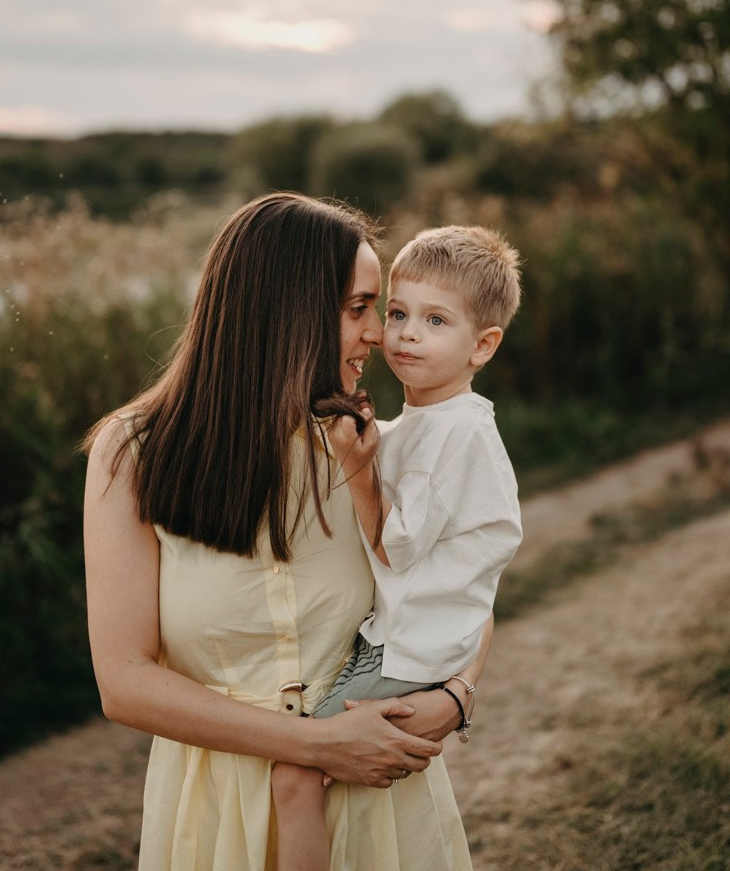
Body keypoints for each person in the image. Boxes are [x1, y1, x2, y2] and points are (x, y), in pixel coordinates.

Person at [83, 193, 491, 871]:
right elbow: (125, 681)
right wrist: (315, 747)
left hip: (376, 803)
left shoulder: (376, 449)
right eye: (359, 309)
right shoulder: (134, 454)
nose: (379, 337)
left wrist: (457, 695)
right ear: (287, 308)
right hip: (216, 814)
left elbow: (463, 588)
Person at [271, 224, 523, 871]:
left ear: (483, 346)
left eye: (436, 321)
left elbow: (397, 547)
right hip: (407, 635)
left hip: (412, 648)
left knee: (296, 772)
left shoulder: (457, 435)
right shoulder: (425, 424)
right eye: (398, 312)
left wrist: (357, 471)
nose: (404, 333)